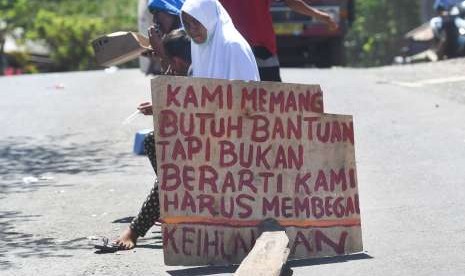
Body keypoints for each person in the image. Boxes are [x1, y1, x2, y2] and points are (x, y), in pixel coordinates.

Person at [113, 29, 191, 251]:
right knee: (152, 141)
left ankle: (136, 229)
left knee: (171, 172)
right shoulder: (188, 65)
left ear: (176, 59)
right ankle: (173, 198)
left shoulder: (200, 67)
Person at [219, 0, 338, 82]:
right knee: (268, 100)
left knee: (268, 99)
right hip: (246, 47)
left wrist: (320, 15)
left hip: (249, 48)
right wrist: (319, 15)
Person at [181, 0, 260, 81]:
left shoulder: (234, 47)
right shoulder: (198, 46)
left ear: (210, 18)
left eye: (196, 21)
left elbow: (247, 90)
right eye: (186, 23)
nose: (191, 29)